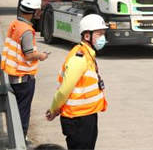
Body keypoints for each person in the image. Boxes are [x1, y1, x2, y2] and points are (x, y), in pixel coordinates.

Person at [45, 14, 108, 150]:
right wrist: (54, 108)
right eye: (99, 34)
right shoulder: (79, 58)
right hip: (78, 119)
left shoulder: (88, 54)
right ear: (87, 36)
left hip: (86, 115)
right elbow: (64, 90)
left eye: (103, 33)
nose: (102, 37)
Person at [0, 0, 49, 140]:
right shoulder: (26, 31)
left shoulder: (15, 24)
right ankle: (21, 139)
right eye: (38, 10)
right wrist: (41, 56)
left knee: (18, 109)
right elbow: (28, 55)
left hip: (14, 75)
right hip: (23, 79)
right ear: (34, 12)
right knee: (23, 110)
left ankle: (17, 136)